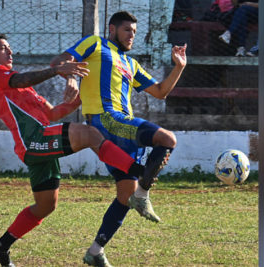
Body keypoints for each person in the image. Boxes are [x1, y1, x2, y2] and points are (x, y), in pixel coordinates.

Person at [0, 34, 151, 267]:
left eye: (10, 48)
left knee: (46, 205)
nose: (10, 52)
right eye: (3, 48)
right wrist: (57, 70)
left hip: (39, 145)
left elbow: (52, 114)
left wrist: (81, 95)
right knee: (89, 135)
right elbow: (19, 80)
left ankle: (1, 245)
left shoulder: (22, 85)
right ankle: (139, 170)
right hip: (34, 140)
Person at [51, 11, 187, 266]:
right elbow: (62, 60)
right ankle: (144, 194)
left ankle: (95, 251)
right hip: (108, 120)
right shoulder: (95, 43)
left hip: (118, 129)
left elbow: (160, 92)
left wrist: (179, 67)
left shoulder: (131, 63)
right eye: (127, 30)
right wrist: (71, 76)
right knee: (167, 140)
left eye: (134, 32)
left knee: (125, 194)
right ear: (112, 29)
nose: (132, 35)